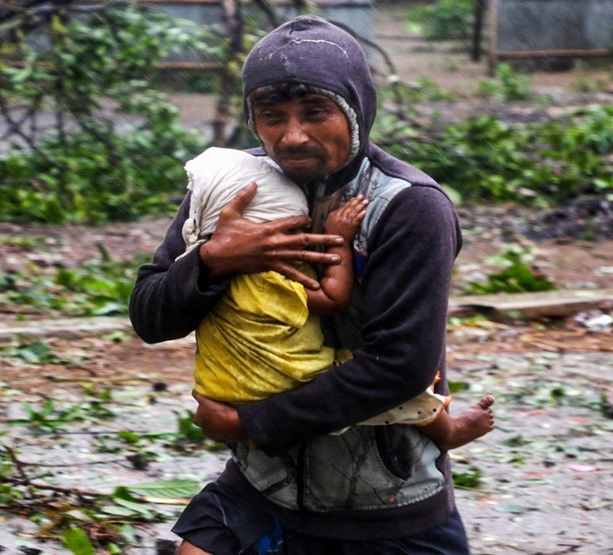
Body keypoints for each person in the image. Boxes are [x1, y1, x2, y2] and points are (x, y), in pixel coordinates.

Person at [130, 15, 478, 554]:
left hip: (386, 509)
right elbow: (150, 316)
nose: (292, 136)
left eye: (316, 113)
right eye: (272, 116)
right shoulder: (230, 187)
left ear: (357, 110)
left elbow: (399, 365)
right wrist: (215, 260)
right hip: (260, 488)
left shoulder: (410, 208)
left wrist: (250, 422)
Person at [182, 147, 495, 453]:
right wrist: (339, 241)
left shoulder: (204, 268)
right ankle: (449, 431)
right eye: (291, 228)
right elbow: (333, 299)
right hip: (278, 380)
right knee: (394, 388)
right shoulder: (268, 276)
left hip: (218, 389)